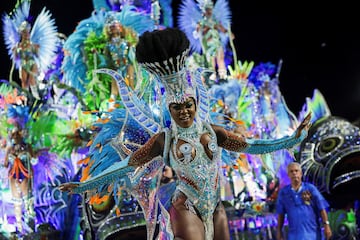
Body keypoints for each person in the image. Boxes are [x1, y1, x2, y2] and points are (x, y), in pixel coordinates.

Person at [59, 28, 311, 240]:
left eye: (188, 105)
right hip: (185, 206)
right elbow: (127, 165)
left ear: (195, 104)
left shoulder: (215, 132)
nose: (184, 111)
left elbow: (254, 146)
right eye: (177, 107)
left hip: (215, 207)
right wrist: (85, 185)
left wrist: (293, 139)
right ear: (169, 108)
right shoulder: (164, 139)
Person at [276, 162, 332, 240]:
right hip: (294, 236)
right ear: (288, 175)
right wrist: (279, 231)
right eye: (291, 171)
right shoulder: (283, 193)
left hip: (312, 234)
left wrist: (326, 225)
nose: (294, 173)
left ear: (301, 173)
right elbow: (280, 214)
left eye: (296, 171)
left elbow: (322, 208)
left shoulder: (310, 188)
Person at [3, 126, 36, 235]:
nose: (16, 136)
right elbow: (6, 164)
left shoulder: (27, 146)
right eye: (13, 134)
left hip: (25, 176)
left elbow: (34, 159)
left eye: (18, 134)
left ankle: (31, 230)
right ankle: (20, 229)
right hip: (14, 177)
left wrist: (31, 157)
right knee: (17, 204)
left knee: (28, 203)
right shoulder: (9, 149)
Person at [196, 1, 231, 80]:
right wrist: (206, 28)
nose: (209, 11)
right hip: (208, 44)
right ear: (204, 10)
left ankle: (223, 76)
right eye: (207, 9)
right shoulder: (201, 22)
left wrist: (228, 33)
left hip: (217, 43)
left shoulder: (215, 20)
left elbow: (222, 29)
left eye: (210, 9)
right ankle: (212, 76)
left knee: (220, 59)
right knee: (211, 61)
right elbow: (198, 32)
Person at [13, 21, 41, 99]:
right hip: (23, 64)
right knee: (24, 83)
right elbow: (16, 58)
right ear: (22, 33)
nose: (27, 34)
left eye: (28, 32)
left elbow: (37, 56)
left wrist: (37, 50)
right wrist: (15, 51)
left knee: (32, 80)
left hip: (32, 64)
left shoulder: (32, 44)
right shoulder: (18, 46)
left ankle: (36, 98)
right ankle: (26, 100)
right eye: (25, 32)